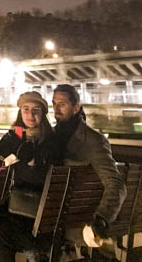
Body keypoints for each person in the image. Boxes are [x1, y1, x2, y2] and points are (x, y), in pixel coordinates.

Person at [0, 91, 63, 262]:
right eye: (26, 109)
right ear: (20, 112)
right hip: (18, 205)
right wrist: (9, 150)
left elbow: (41, 174)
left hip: (39, 209)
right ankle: (29, 246)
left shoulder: (50, 140)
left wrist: (31, 158)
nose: (30, 115)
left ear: (43, 114)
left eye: (36, 110)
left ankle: (31, 246)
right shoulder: (16, 136)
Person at [52, 84, 126, 241]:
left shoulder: (93, 141)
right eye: (54, 103)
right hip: (47, 211)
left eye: (62, 104)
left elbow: (115, 183)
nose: (56, 109)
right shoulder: (50, 136)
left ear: (76, 107)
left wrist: (101, 217)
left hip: (66, 218)